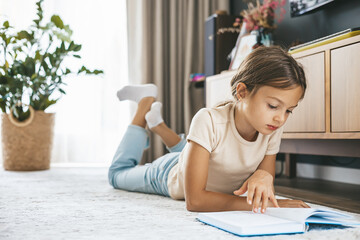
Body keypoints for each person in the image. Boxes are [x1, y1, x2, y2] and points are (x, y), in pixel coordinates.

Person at [108, 46, 310, 213]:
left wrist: (263, 176)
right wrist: (270, 206)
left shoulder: (270, 126)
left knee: (196, 151)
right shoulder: (208, 120)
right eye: (273, 106)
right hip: (168, 173)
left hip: (202, 159)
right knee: (117, 174)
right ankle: (145, 103)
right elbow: (195, 200)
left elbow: (264, 180)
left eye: (289, 111)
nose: (280, 118)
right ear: (242, 92)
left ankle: (157, 125)